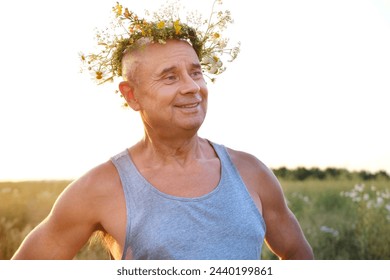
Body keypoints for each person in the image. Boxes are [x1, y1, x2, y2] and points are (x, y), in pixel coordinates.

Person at [12, 2, 313, 260]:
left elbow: (297, 254)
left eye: (196, 72)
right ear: (132, 95)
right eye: (170, 77)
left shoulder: (251, 172)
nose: (192, 87)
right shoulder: (99, 188)